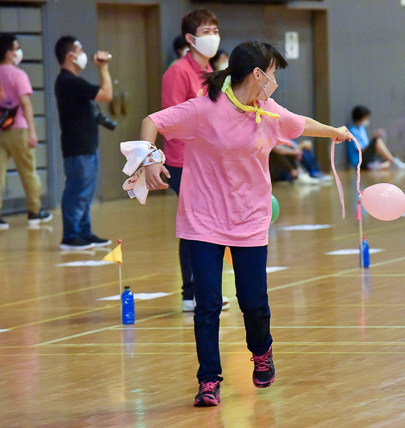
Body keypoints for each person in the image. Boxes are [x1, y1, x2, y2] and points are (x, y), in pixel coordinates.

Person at [139, 40, 350, 407]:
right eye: (272, 73)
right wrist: (149, 159)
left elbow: (301, 124)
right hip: (202, 219)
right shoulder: (205, 109)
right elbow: (152, 122)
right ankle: (208, 380)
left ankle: (262, 351)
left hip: (249, 219)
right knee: (207, 304)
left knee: (253, 303)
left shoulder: (267, 111)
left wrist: (335, 132)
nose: (274, 81)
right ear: (257, 74)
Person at [161, 9, 229, 312]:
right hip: (183, 161)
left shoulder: (213, 71)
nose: (212, 36)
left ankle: (199, 290)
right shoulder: (177, 72)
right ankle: (192, 293)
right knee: (196, 225)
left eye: (215, 30)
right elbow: (171, 120)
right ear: (190, 39)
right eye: (206, 31)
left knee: (204, 224)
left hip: (209, 161)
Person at [54, 36, 113, 250]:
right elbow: (106, 94)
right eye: (79, 50)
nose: (83, 54)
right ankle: (71, 235)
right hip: (77, 148)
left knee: (86, 192)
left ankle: (84, 232)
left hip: (86, 147)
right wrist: (103, 68)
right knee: (77, 191)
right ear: (70, 56)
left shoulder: (70, 82)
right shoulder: (69, 81)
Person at [0, 34, 52, 229]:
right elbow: (25, 103)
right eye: (16, 48)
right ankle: (34, 211)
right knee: (28, 171)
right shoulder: (18, 75)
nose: (18, 52)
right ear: (8, 53)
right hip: (18, 129)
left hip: (0, 130)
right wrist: (32, 132)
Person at [347, 105, 405, 170]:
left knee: (391, 155)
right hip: (359, 160)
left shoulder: (362, 128)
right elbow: (360, 150)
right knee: (377, 141)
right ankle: (393, 163)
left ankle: (377, 165)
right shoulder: (352, 130)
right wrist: (374, 141)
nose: (367, 120)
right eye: (366, 117)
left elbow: (366, 145)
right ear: (360, 117)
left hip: (367, 157)